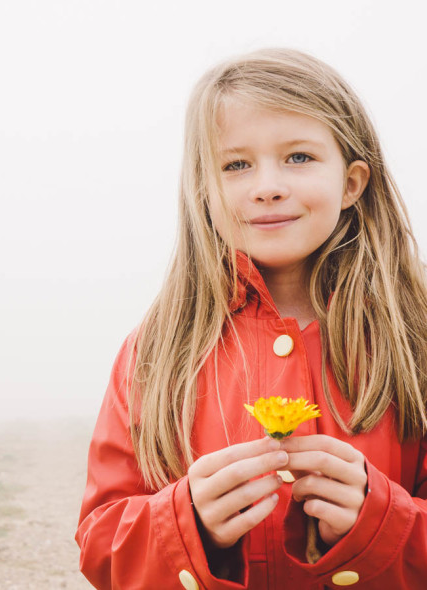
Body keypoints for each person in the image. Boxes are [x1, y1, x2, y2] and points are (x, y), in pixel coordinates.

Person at [75, 48, 427, 589]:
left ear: (353, 183)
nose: (267, 185)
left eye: (299, 157)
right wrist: (186, 522)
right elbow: (101, 547)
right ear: (205, 191)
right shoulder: (155, 350)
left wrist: (385, 523)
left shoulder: (415, 336)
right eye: (236, 164)